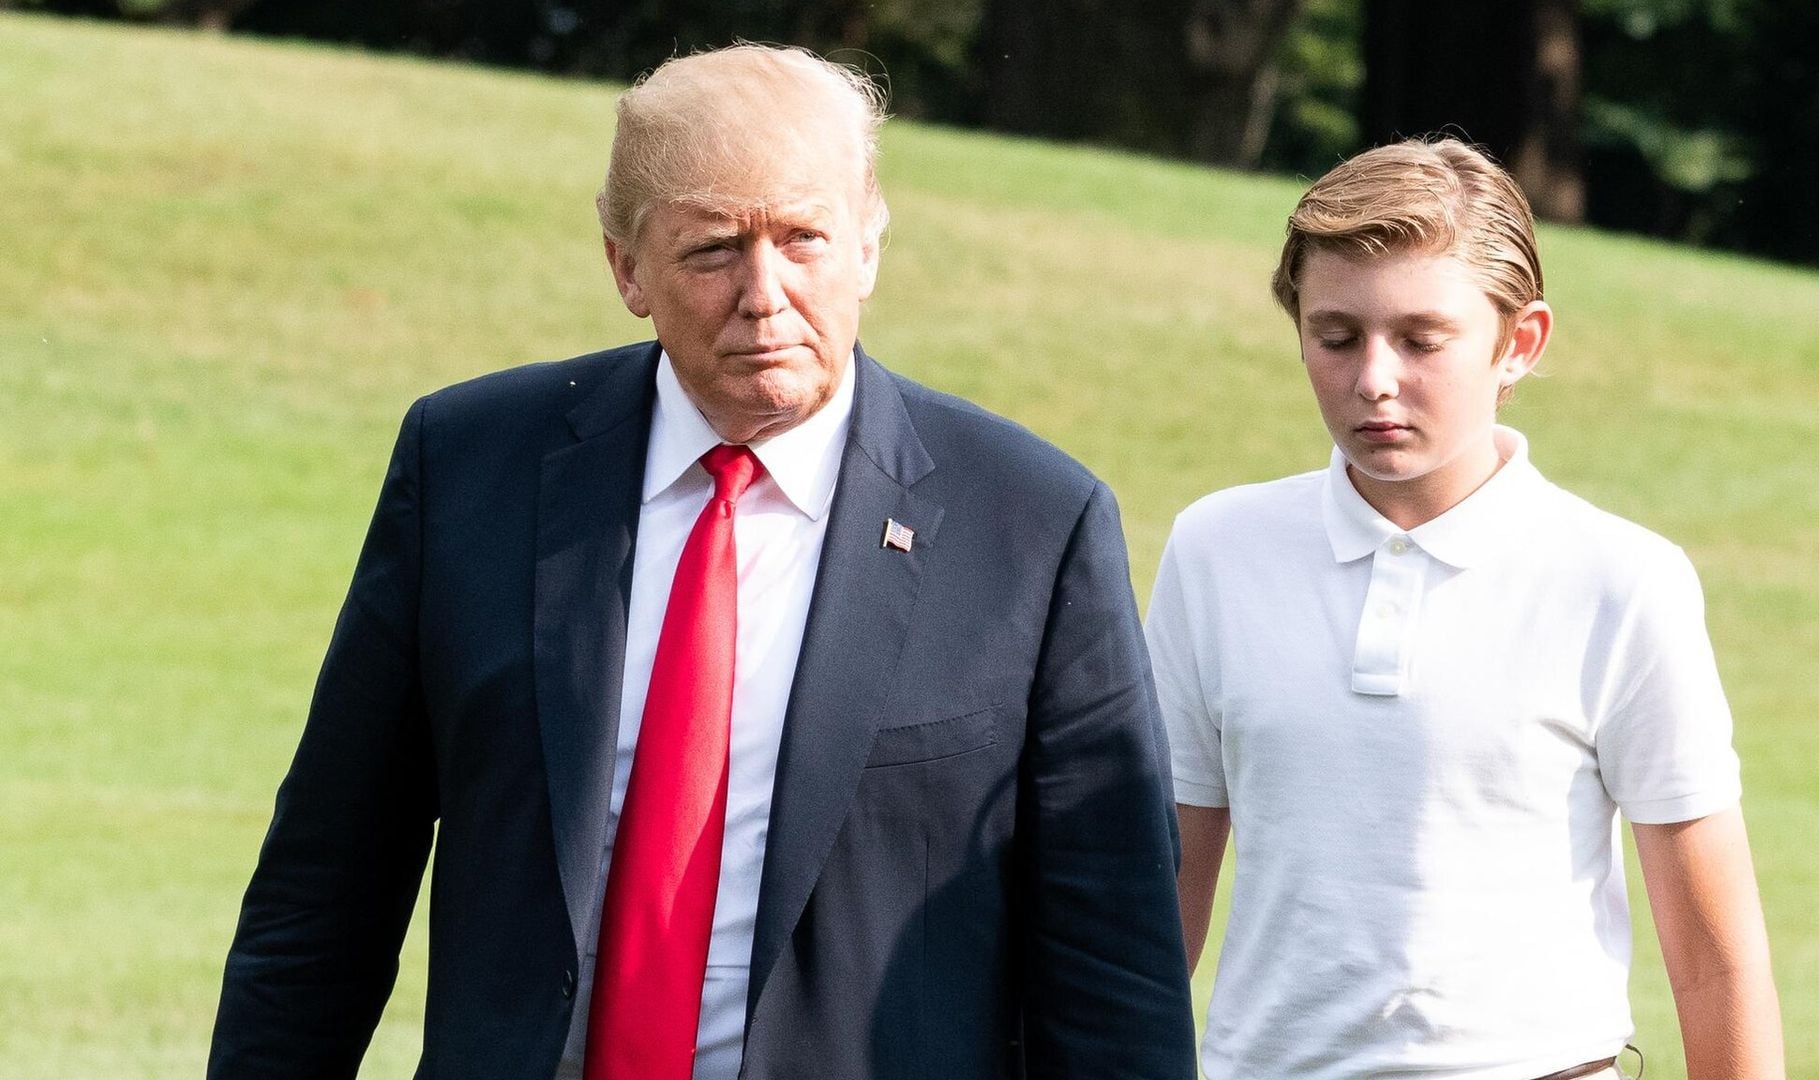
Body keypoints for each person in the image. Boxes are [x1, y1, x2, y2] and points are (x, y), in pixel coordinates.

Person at [209, 44, 1194, 1080]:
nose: (764, 294)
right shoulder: (470, 470)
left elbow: (1113, 966)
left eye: (803, 239)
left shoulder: (1032, 525)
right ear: (625, 268)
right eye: (714, 249)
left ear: (869, 244)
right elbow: (326, 892)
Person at [1146, 138, 1784, 1080]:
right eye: (1336, 336)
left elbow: (1713, 959)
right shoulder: (1216, 550)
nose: (1374, 379)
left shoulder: (1621, 581)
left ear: (1517, 343)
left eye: (1420, 339)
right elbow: (1161, 907)